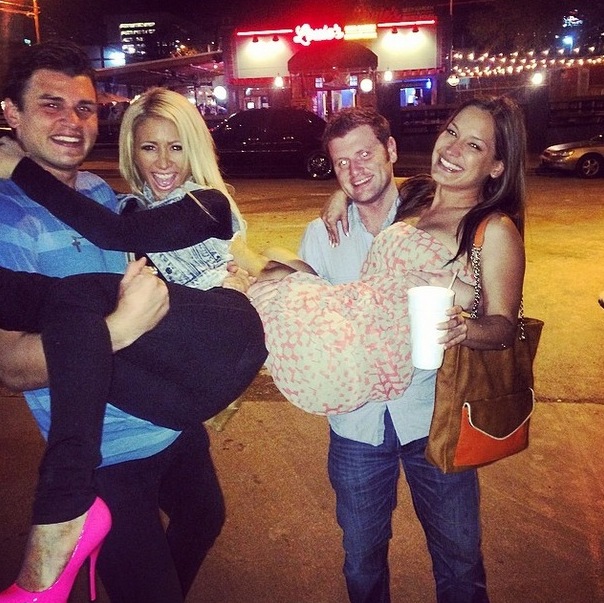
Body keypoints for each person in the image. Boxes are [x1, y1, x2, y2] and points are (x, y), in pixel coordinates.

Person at [0, 40, 252, 603]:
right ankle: (64, 518)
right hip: (107, 452)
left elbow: (130, 237)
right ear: (11, 113)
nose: (72, 122)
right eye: (50, 104)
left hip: (172, 416)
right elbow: (11, 367)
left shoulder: (97, 193)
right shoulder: (5, 219)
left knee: (203, 518)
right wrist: (119, 330)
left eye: (84, 108)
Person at [288, 102, 526, 602]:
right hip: (357, 424)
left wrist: (463, 328)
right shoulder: (412, 202)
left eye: (474, 145)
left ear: (496, 165)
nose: (453, 149)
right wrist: (342, 194)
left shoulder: (489, 227)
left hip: (433, 417)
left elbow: (504, 326)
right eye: (451, 132)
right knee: (361, 560)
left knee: (459, 561)